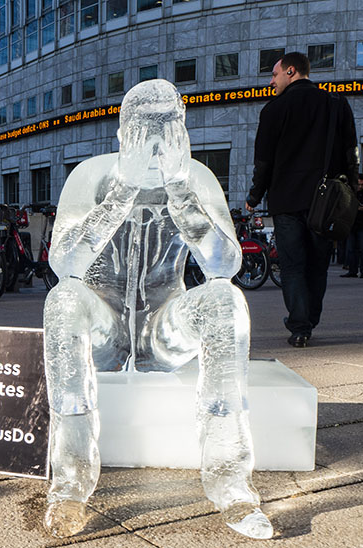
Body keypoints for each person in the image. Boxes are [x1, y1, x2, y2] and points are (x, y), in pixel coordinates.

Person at [43, 80, 273, 541]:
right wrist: (123, 192)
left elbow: (224, 265)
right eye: (142, 133)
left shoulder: (196, 178)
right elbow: (63, 263)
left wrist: (180, 192)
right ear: (122, 134)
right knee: (63, 299)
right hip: (104, 329)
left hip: (163, 329)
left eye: (165, 133)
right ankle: (70, 482)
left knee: (225, 299)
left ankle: (229, 478)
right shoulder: (91, 175)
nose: (153, 146)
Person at [245, 52, 358, 348]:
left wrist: (255, 195)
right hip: (326, 201)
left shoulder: (273, 110)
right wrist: (353, 193)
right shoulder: (336, 104)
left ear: (291, 71)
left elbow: (264, 161)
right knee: (317, 264)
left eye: (274, 75)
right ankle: (310, 318)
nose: (271, 82)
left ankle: (299, 325)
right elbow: (351, 152)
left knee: (293, 264)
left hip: (286, 200)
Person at [340, 174, 363, 278]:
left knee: (362, 248)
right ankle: (353, 270)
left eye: (362, 184)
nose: (360, 187)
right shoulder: (350, 191)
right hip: (352, 224)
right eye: (358, 184)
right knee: (351, 249)